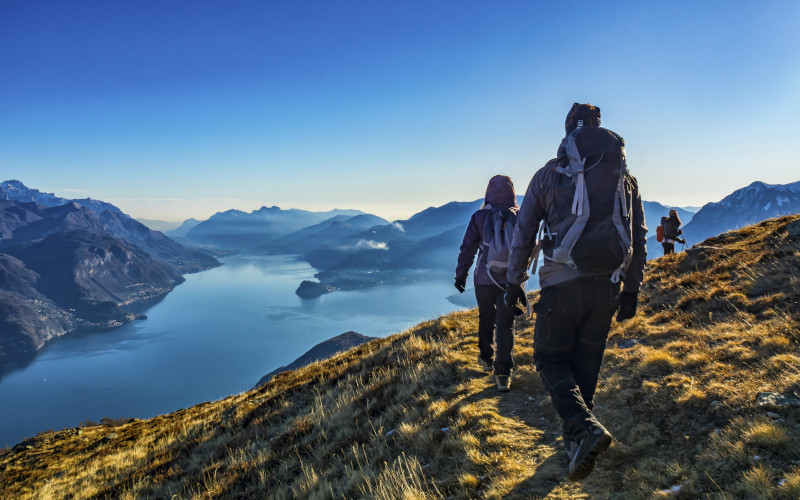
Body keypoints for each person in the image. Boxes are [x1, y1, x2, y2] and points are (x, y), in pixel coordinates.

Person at [504, 103, 647, 481]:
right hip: (608, 285)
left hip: (562, 284)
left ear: (568, 132)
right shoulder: (625, 179)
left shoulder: (550, 175)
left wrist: (515, 281)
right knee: (585, 367)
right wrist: (631, 288)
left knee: (550, 360)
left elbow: (524, 233)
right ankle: (578, 445)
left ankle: (584, 432)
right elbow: (639, 235)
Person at [455, 175, 518, 392]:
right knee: (506, 323)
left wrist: (460, 276)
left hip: (484, 278)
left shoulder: (479, 217)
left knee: (486, 317)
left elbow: (467, 249)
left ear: (488, 192)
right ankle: (503, 373)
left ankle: (486, 357)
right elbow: (525, 248)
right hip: (510, 280)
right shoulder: (519, 217)